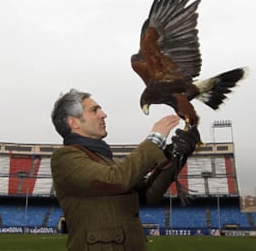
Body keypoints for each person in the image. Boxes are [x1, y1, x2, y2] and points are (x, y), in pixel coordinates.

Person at [50, 89, 200, 251]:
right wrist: (155, 139)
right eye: (94, 110)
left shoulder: (105, 159)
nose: (103, 114)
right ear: (74, 123)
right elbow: (116, 180)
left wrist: (174, 155)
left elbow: (148, 194)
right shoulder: (65, 158)